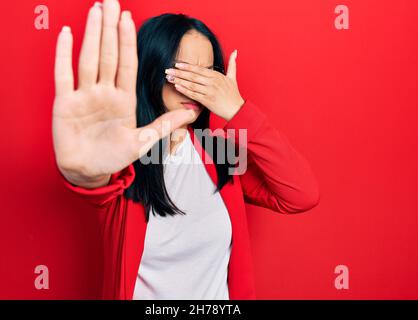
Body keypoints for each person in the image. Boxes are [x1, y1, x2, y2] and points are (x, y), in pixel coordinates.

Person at [52, 0, 320, 300]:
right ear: (151, 71)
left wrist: (240, 111)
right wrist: (86, 174)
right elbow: (96, 180)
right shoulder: (121, 161)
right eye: (180, 72)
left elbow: (302, 194)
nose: (192, 87)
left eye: (205, 75)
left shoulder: (220, 156)